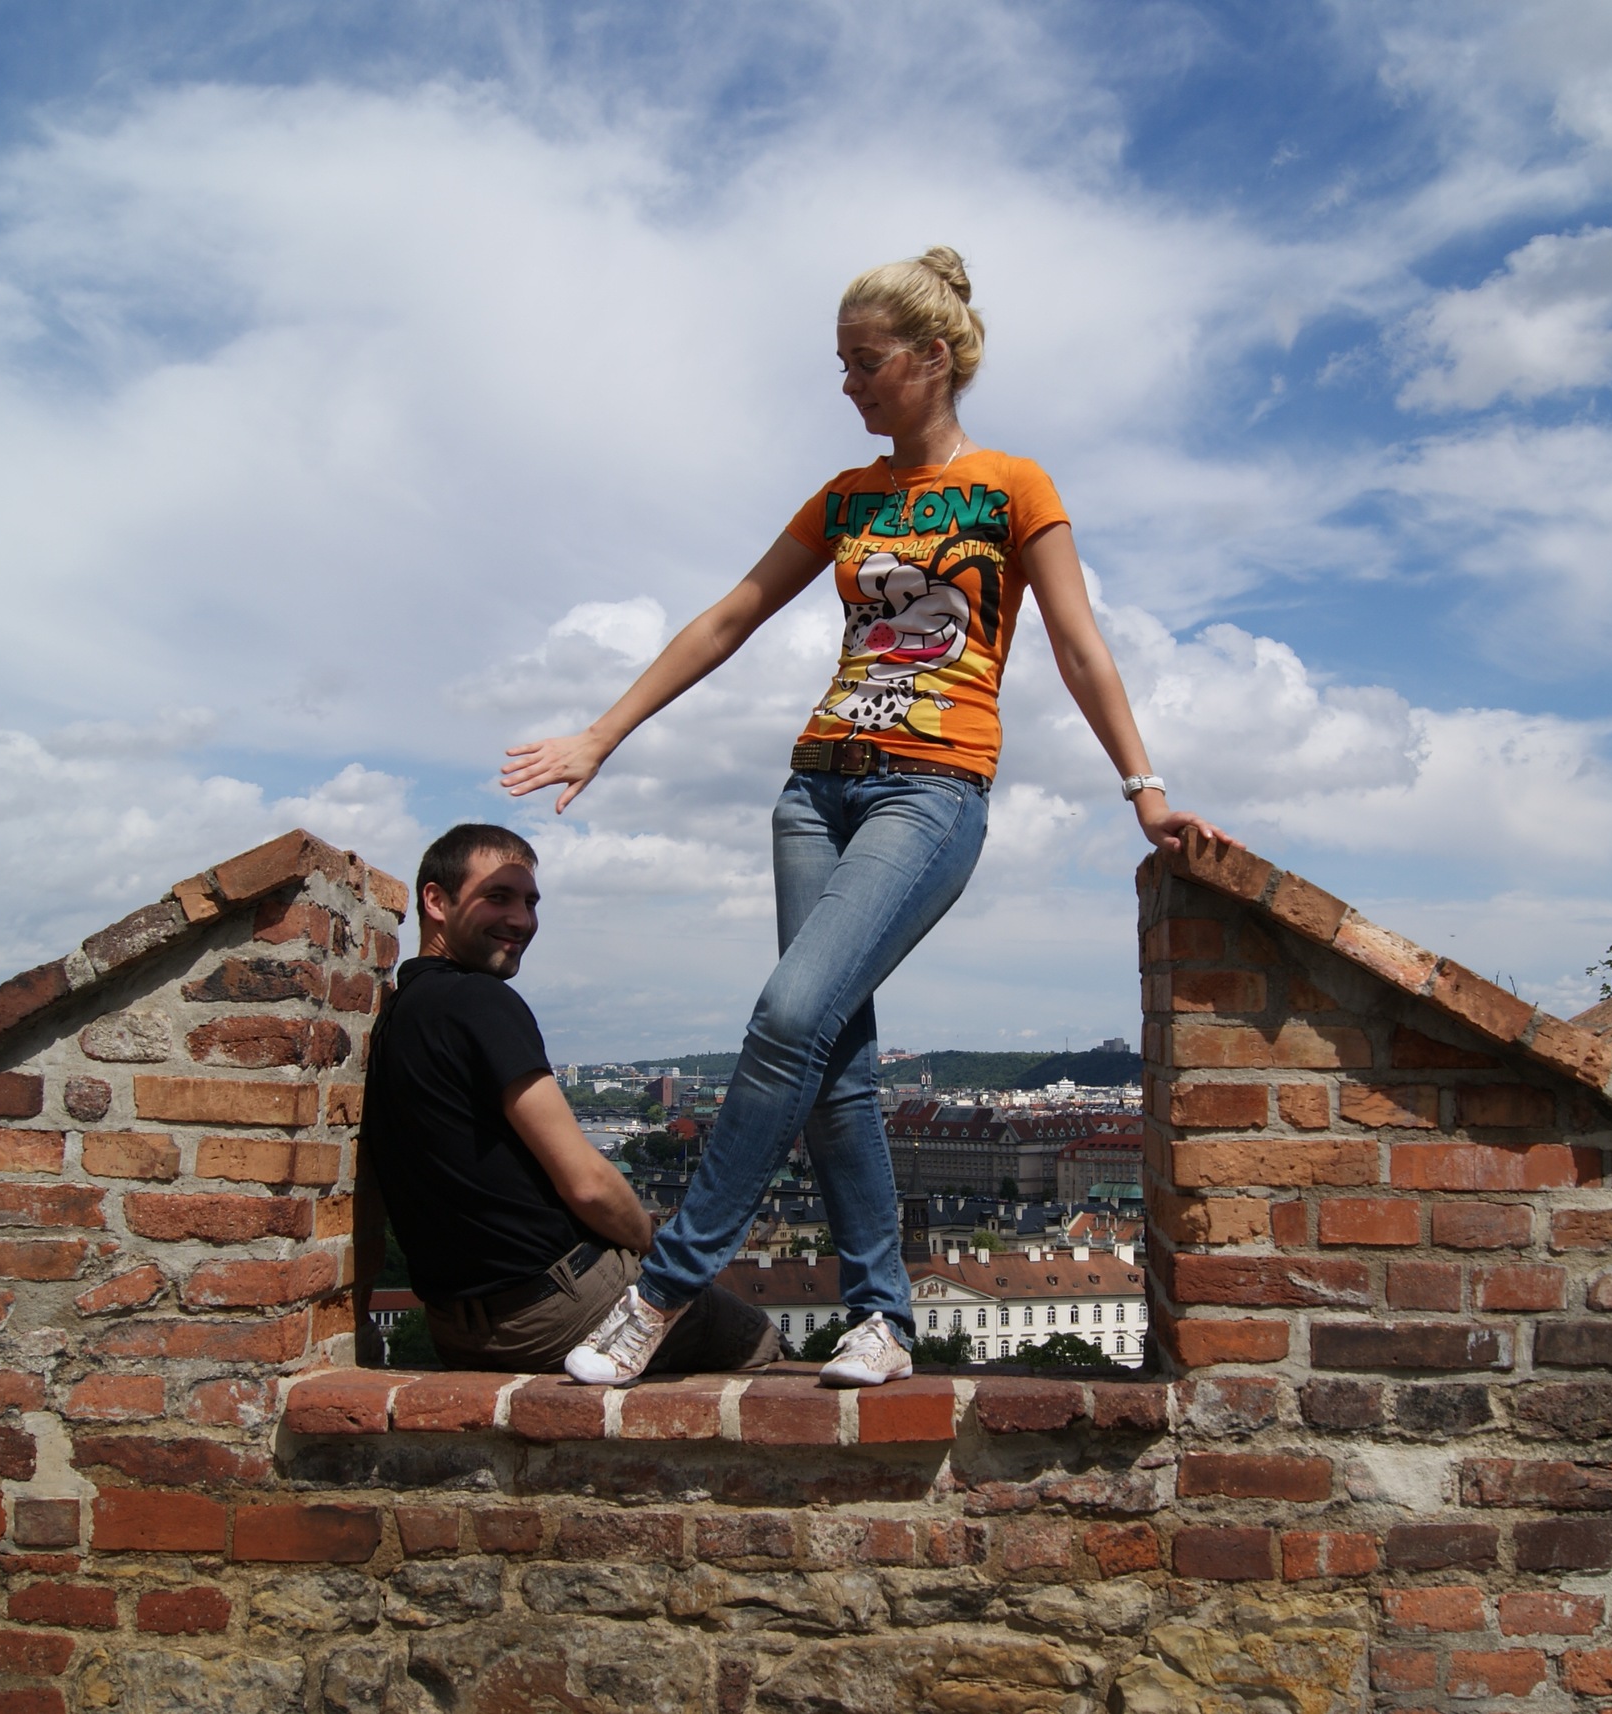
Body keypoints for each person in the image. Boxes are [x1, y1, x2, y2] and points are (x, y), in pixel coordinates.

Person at [506, 246, 1221, 1388]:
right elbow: (730, 616)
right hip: (813, 788)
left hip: (931, 788)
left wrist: (1145, 787)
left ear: (932, 357)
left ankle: (661, 1292)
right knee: (833, 1063)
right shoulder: (847, 498)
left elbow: (1080, 646)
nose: (846, 384)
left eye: (865, 361)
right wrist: (603, 732)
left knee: (790, 1010)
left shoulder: (1014, 486)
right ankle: (882, 1319)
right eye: (839, 363)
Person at [355, 823, 778, 1374]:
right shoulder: (479, 1001)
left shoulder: (399, 1014)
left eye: (530, 902)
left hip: (455, 1329)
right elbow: (589, 1184)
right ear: (436, 901)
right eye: (498, 897)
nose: (521, 920)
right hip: (555, 1307)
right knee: (758, 1342)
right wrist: (654, 1246)